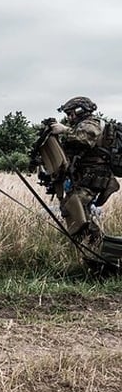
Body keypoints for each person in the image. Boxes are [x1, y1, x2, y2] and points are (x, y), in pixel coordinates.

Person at [43, 96, 121, 268]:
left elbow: (85, 139)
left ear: (81, 110)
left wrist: (63, 130)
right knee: (78, 212)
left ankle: (99, 248)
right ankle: (95, 250)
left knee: (73, 207)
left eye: (71, 113)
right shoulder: (81, 124)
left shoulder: (92, 123)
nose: (69, 117)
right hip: (85, 176)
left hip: (95, 177)